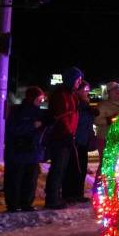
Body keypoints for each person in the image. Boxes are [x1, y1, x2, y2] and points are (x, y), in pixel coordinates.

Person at [3, 87, 49, 212]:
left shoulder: (39, 112)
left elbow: (43, 132)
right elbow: (12, 129)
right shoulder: (18, 111)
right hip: (18, 152)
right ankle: (13, 204)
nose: (41, 101)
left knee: (30, 179)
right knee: (15, 178)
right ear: (32, 98)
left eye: (42, 98)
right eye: (39, 98)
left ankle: (26, 203)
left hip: (32, 152)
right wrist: (32, 126)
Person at [45, 66, 83, 209]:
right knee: (58, 167)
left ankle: (57, 196)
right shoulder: (61, 94)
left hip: (67, 135)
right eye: (78, 80)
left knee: (62, 168)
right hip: (60, 136)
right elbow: (62, 116)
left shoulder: (71, 94)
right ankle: (52, 198)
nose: (79, 82)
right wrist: (67, 133)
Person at [64, 81, 96, 203]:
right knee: (73, 168)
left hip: (84, 140)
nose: (87, 93)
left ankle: (78, 193)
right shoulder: (76, 104)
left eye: (88, 90)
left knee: (81, 168)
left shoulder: (85, 104)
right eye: (84, 90)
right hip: (76, 140)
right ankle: (69, 194)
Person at [95, 81, 119, 165]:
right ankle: (100, 178)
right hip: (105, 139)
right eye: (114, 90)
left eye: (118, 89)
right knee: (105, 164)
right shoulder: (102, 105)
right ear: (108, 92)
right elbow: (96, 120)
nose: (117, 92)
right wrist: (110, 120)